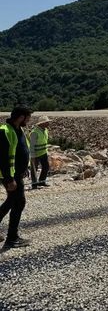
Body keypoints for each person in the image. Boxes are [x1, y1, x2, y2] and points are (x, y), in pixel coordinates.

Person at [0, 105, 33, 249]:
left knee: (12, 201)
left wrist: (25, 168)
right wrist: (9, 179)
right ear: (21, 117)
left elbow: (21, 151)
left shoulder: (19, 130)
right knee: (19, 203)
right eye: (28, 118)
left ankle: (11, 236)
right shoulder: (5, 131)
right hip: (10, 176)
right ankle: (12, 238)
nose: (29, 121)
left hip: (17, 174)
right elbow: (2, 158)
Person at [30, 115, 52, 189]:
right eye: (46, 122)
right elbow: (32, 145)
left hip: (43, 152)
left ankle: (42, 181)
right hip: (35, 154)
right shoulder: (34, 132)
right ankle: (34, 184)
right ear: (42, 123)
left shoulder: (45, 130)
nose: (48, 124)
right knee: (34, 169)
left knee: (46, 167)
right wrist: (32, 156)